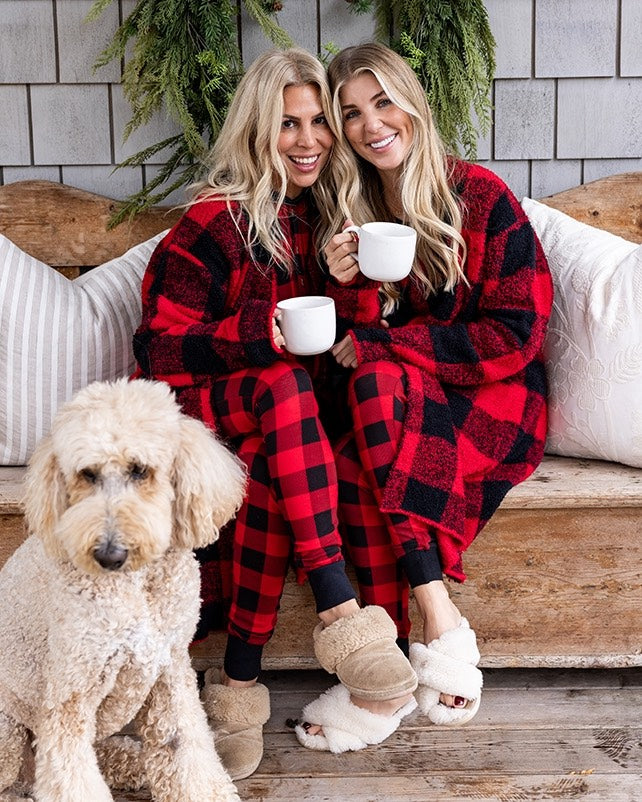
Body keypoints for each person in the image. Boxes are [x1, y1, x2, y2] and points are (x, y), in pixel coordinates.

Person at [133, 47, 418, 779]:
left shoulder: (327, 216)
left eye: (322, 121)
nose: (311, 139)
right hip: (195, 408)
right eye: (289, 123)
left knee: (271, 455)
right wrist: (259, 333)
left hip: (275, 434)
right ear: (259, 130)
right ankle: (338, 609)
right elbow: (160, 349)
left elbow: (331, 361)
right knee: (281, 392)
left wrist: (350, 288)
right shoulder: (212, 223)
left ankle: (236, 683)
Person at [293, 42, 553, 749]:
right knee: (353, 451)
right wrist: (347, 288)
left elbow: (517, 333)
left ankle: (397, 663)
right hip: (400, 405)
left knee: (378, 394)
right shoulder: (350, 212)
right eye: (350, 113)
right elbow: (351, 351)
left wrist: (387, 346)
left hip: (494, 397)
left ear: (412, 103)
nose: (370, 124)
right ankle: (413, 642)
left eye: (382, 102)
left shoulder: (479, 196)